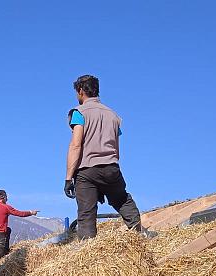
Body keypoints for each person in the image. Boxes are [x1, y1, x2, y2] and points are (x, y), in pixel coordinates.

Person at [63, 74, 151, 239]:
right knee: (122, 200)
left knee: (87, 213)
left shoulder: (79, 113)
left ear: (81, 91)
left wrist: (68, 178)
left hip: (86, 170)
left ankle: (87, 249)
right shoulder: (113, 116)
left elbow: (76, 145)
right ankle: (140, 233)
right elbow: (117, 149)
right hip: (111, 166)